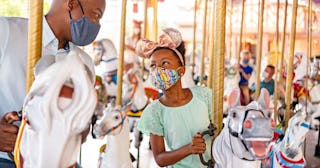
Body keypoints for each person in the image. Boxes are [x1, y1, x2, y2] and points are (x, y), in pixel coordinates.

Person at [0, 0, 106, 167]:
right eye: (96, 15)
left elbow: (81, 127)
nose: (97, 25)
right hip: (7, 158)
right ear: (71, 4)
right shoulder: (7, 32)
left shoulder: (84, 63)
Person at [136, 28, 212, 168]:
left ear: (181, 70)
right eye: (153, 66)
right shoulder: (154, 111)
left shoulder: (204, 95)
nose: (158, 70)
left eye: (165, 63)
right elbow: (159, 158)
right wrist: (190, 149)